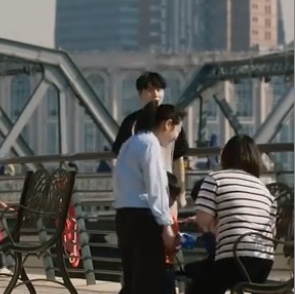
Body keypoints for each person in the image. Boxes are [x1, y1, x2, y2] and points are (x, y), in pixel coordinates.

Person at [187, 135, 277, 294]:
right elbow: (272, 232)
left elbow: (202, 221)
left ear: (225, 156)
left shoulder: (215, 179)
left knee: (198, 284)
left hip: (234, 259)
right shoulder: (265, 190)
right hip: (263, 262)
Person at [113, 101, 184, 294]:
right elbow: (156, 186)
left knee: (132, 280)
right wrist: (166, 225)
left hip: (124, 215)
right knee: (150, 279)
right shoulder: (150, 144)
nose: (175, 138)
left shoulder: (129, 143)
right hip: (143, 219)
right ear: (167, 124)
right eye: (177, 131)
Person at [111, 72, 189, 203]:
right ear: (140, 93)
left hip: (167, 189)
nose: (155, 94)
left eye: (159, 89)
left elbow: (178, 158)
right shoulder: (131, 122)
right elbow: (119, 156)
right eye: (150, 90)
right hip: (138, 190)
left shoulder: (173, 118)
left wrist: (181, 192)